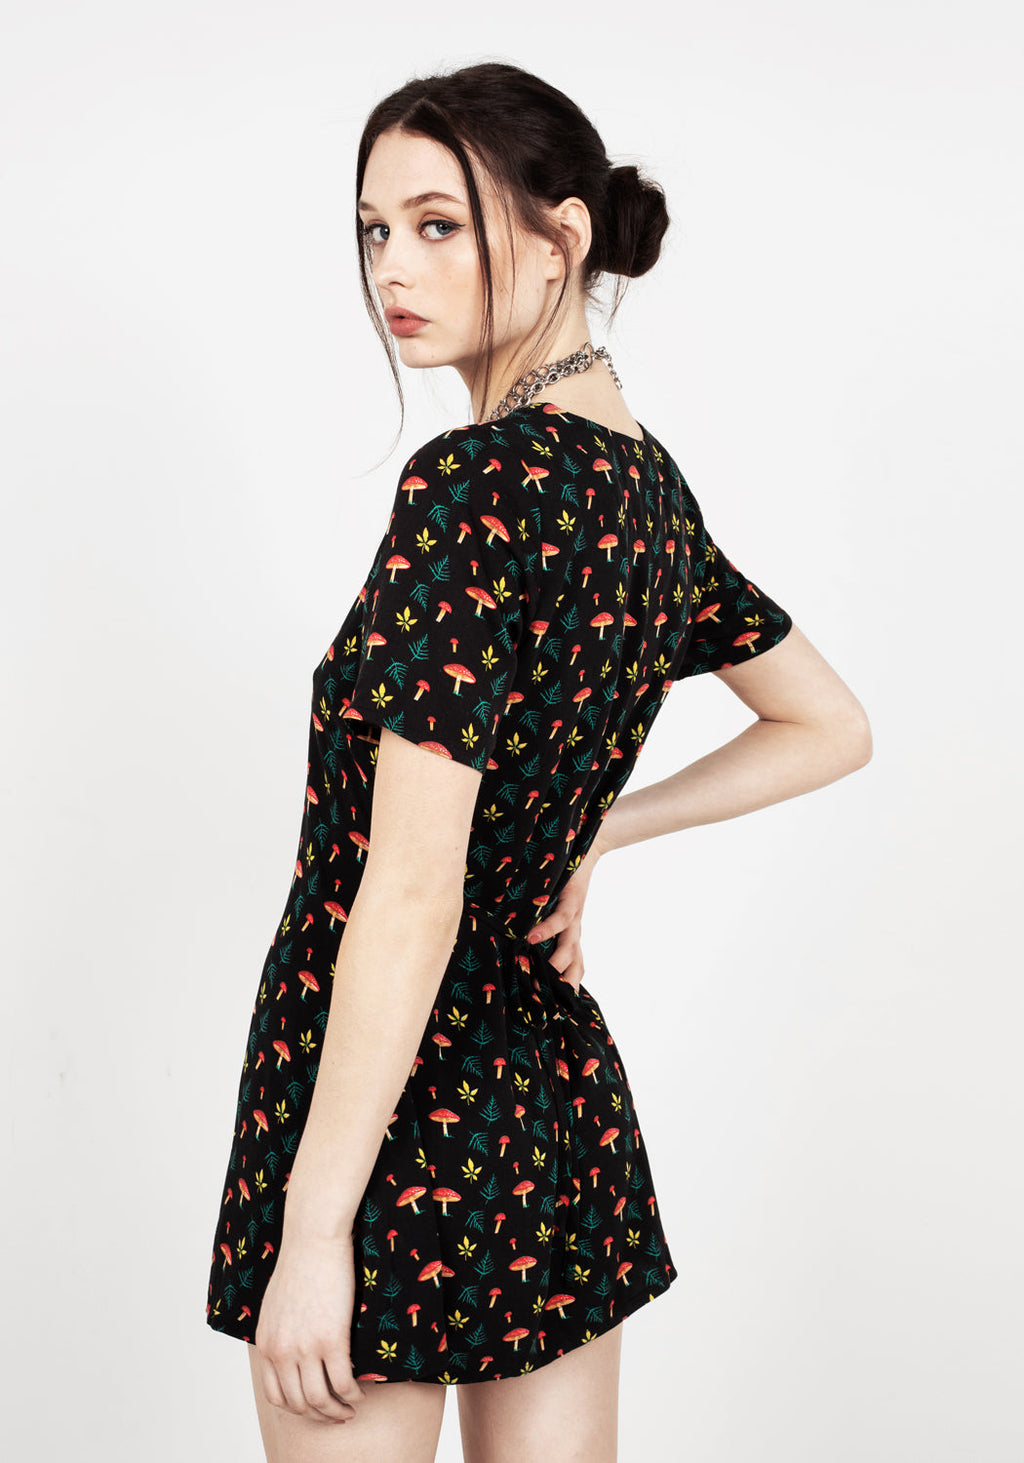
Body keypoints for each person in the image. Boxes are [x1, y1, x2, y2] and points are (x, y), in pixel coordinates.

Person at [204, 61, 872, 1463]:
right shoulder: (646, 489)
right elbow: (827, 722)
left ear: (561, 238)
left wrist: (315, 1230)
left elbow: (409, 892)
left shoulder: (472, 488)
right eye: (374, 229)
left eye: (439, 224)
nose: (392, 266)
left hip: (388, 1116)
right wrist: (593, 833)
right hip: (549, 1103)